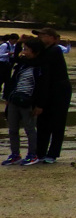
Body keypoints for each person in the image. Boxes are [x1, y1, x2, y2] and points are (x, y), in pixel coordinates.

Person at [2, 37, 44, 166]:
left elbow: (42, 87)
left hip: (28, 102)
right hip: (14, 99)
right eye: (24, 49)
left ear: (35, 51)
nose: (24, 52)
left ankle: (32, 155)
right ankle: (15, 154)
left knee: (29, 129)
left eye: (27, 49)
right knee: (12, 129)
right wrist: (7, 98)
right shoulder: (22, 63)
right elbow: (12, 80)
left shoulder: (40, 67)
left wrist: (39, 105)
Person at [34, 28, 72, 164]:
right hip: (48, 88)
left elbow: (39, 62)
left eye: (42, 35)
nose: (39, 38)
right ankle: (40, 152)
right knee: (43, 121)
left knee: (57, 122)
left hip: (60, 89)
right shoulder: (45, 51)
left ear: (52, 37)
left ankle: (53, 153)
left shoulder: (54, 50)